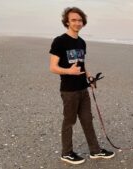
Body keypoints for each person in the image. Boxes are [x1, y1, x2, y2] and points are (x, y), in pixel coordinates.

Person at [49, 7, 115, 165]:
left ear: (83, 22)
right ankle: (66, 153)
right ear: (67, 22)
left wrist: (90, 78)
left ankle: (95, 151)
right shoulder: (60, 41)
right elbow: (52, 67)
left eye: (80, 20)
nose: (77, 23)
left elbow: (82, 65)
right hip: (69, 91)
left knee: (87, 120)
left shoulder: (81, 42)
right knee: (69, 121)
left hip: (83, 89)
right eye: (73, 20)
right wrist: (69, 71)